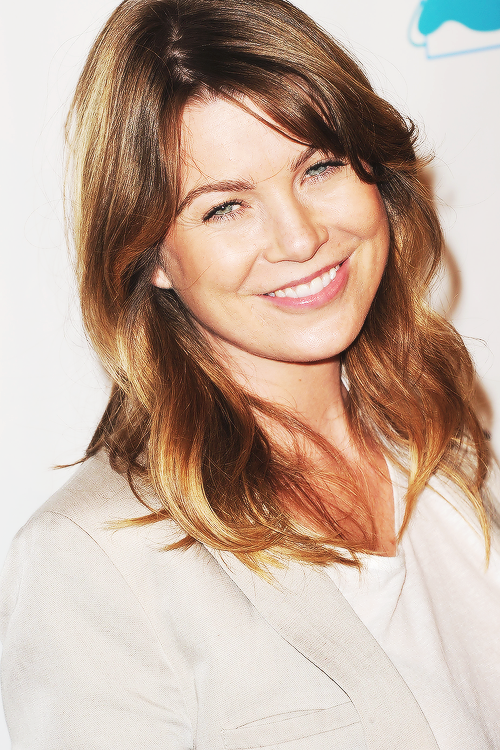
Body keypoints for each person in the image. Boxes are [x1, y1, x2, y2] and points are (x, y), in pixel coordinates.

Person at [1, 0, 499, 747]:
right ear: (151, 256)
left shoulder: (441, 433)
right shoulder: (96, 560)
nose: (299, 238)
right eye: (226, 208)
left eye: (319, 167)